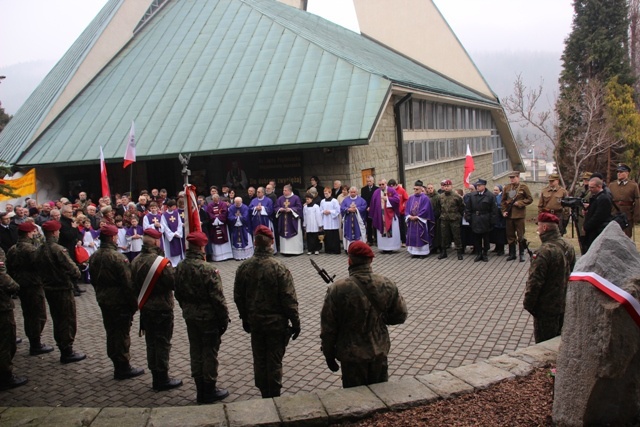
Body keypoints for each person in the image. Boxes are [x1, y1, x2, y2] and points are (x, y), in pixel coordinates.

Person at [320, 241, 408, 388]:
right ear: (371, 260)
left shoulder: (337, 289)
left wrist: (329, 355)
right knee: (381, 399)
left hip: (351, 356)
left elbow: (328, 327)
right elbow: (400, 315)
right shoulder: (387, 283)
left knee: (355, 400)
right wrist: (382, 319)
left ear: (350, 260)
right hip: (378, 350)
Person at [234, 225, 300, 398]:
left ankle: (264, 392)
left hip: (255, 322)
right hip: (276, 324)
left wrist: (244, 318)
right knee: (274, 360)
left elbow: (238, 296)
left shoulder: (244, 267)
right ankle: (274, 394)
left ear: (255, 243)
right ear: (271, 243)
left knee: (260, 359)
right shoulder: (279, 267)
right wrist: (296, 321)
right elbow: (288, 298)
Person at [175, 231, 230, 403]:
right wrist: (224, 318)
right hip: (208, 318)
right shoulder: (208, 269)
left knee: (196, 351)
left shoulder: (180, 266)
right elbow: (217, 298)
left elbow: (178, 293)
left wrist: (186, 308)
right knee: (209, 353)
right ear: (202, 247)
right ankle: (209, 389)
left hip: (190, 316)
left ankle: (200, 389)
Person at [89, 224, 144, 380]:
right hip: (119, 301)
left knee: (111, 331)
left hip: (103, 298)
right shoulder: (118, 258)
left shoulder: (94, 256)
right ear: (113, 238)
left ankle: (116, 362)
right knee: (121, 333)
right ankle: (122, 366)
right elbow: (128, 283)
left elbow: (93, 279)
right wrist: (134, 304)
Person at [130, 228, 182, 391]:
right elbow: (173, 283)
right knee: (162, 343)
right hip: (162, 308)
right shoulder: (160, 263)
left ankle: (155, 375)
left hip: (145, 307)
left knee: (151, 342)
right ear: (155, 242)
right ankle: (162, 378)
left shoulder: (136, 260)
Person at [35, 221, 86, 364]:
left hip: (49, 288)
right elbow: (73, 270)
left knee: (57, 319)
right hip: (62, 288)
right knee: (67, 320)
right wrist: (76, 274)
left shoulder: (40, 249)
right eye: (57, 231)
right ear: (54, 233)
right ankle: (67, 351)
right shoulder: (58, 249)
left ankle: (63, 347)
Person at [523, 213, 576, 343]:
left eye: (539, 226)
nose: (538, 229)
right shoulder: (568, 246)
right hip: (563, 303)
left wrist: (529, 304)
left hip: (546, 307)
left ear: (545, 228)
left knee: (544, 344)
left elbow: (535, 282)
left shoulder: (544, 251)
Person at [6, 222, 53, 355]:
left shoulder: (12, 249)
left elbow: (9, 267)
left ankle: (34, 341)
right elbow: (40, 265)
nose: (35, 234)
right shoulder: (31, 250)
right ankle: (35, 343)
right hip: (33, 285)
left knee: (28, 313)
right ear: (28, 233)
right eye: (33, 232)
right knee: (37, 314)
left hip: (20, 284)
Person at [0, 247, 27, 390]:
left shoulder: (11, 249)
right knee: (5, 340)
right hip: (2, 306)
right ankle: (5, 376)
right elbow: (3, 278)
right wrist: (15, 286)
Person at [501, 171, 533, 262]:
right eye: (510, 178)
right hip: (509, 215)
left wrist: (520, 203)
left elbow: (530, 199)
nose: (512, 179)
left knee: (521, 236)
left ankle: (522, 254)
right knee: (510, 235)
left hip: (519, 215)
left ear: (518, 177)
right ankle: (512, 254)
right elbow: (503, 201)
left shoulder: (523, 187)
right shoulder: (507, 187)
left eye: (513, 177)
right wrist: (504, 211)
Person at [465, 179, 497, 262]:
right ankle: (479, 253)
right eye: (477, 186)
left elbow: (494, 210)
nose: (477, 187)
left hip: (485, 219)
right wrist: (468, 218)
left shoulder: (490, 196)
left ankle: (485, 253)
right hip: (475, 218)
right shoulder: (472, 195)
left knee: (485, 238)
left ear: (484, 186)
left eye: (479, 186)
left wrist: (492, 221)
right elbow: (468, 208)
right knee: (477, 237)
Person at [608, 163, 640, 238]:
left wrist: (636, 217)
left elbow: (637, 201)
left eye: (621, 172)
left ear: (627, 173)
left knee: (626, 236)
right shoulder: (612, 185)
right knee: (613, 236)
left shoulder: (633, 185)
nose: (619, 174)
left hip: (627, 214)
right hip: (614, 214)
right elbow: (608, 200)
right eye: (618, 172)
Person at [369, 179, 401, 253]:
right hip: (380, 215)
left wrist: (388, 199)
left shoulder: (391, 190)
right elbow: (373, 202)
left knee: (390, 230)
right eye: (379, 185)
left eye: (383, 184)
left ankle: (391, 247)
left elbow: (397, 199)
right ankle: (384, 247)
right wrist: (373, 213)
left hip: (390, 214)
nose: (381, 186)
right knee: (382, 231)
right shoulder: (376, 192)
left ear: (386, 184)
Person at [405, 180, 435, 258]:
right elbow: (407, 208)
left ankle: (423, 253)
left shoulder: (425, 198)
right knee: (413, 236)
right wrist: (409, 216)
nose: (415, 191)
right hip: (412, 221)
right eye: (414, 189)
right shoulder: (411, 197)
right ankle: (414, 252)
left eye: (417, 189)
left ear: (421, 189)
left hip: (421, 221)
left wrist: (417, 216)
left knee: (421, 236)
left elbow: (426, 209)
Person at [583, 177, 613, 252]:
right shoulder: (596, 197)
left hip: (598, 230)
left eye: (592, 187)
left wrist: (586, 226)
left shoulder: (603, 198)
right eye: (589, 187)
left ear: (599, 186)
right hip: (593, 230)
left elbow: (598, 216)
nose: (590, 189)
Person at [437, 180, 465, 260]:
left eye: (448, 186)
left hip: (454, 218)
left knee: (457, 236)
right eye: (445, 186)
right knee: (444, 236)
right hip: (444, 219)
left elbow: (461, 207)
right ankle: (444, 252)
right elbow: (439, 207)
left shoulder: (456, 196)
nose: (446, 188)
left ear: (451, 186)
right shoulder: (441, 196)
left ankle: (459, 252)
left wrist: (457, 214)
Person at [275, 184, 304, 255]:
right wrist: (280, 209)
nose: (284, 192)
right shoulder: (280, 198)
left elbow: (299, 208)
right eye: (283, 190)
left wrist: (291, 210)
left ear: (290, 191)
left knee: (294, 235)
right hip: (283, 219)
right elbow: (276, 207)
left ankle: (295, 251)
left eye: (285, 190)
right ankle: (285, 250)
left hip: (293, 219)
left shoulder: (296, 198)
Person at [205, 194, 233, 262]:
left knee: (224, 237)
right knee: (215, 239)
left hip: (222, 224)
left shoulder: (223, 204)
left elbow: (225, 212)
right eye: (214, 200)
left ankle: (227, 255)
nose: (215, 201)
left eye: (216, 199)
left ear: (218, 198)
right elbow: (209, 213)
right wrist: (215, 219)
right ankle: (217, 257)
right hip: (214, 225)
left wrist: (219, 219)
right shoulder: (210, 205)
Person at [340, 187, 368, 252]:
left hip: (358, 221)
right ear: (349, 192)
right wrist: (348, 209)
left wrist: (356, 209)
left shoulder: (361, 200)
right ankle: (348, 248)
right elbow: (342, 208)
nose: (352, 193)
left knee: (359, 233)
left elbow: (364, 207)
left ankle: (360, 248)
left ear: (357, 192)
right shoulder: (345, 200)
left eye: (354, 192)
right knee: (348, 233)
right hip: (348, 221)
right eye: (351, 192)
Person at [572, 172, 592, 254]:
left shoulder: (593, 190)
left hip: (589, 216)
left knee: (589, 238)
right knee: (581, 238)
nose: (585, 181)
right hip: (580, 216)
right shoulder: (580, 189)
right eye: (584, 179)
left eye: (587, 179)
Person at [161, 199, 184, 267]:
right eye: (173, 206)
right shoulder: (164, 215)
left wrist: (178, 232)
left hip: (177, 235)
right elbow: (164, 226)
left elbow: (180, 224)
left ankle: (178, 262)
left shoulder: (176, 213)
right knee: (169, 249)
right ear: (168, 207)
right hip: (169, 237)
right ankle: (171, 262)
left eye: (175, 206)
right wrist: (171, 234)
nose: (174, 208)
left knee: (178, 248)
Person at [320, 187, 341, 254]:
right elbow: (320, 210)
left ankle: (335, 250)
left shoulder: (334, 201)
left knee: (334, 236)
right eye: (324, 193)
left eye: (327, 193)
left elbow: (338, 210)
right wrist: (323, 212)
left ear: (330, 193)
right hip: (326, 220)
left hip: (333, 220)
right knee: (327, 236)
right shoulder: (322, 201)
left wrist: (330, 211)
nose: (325, 195)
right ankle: (328, 250)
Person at [388, 179, 409, 246]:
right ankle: (395, 241)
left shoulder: (402, 190)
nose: (391, 188)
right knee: (394, 227)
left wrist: (403, 207)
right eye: (390, 187)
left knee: (402, 227)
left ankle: (404, 241)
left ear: (395, 185)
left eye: (392, 186)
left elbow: (406, 199)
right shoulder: (389, 191)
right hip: (392, 212)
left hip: (401, 212)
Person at [361, 176, 378, 246]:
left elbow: (377, 200)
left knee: (375, 225)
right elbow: (363, 199)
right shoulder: (363, 189)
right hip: (367, 209)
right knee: (368, 225)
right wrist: (366, 207)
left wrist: (372, 207)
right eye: (367, 181)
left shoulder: (377, 189)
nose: (368, 183)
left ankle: (377, 239)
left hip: (374, 209)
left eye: (370, 181)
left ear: (373, 181)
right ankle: (370, 240)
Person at [490, 185, 507, 255]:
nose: (495, 191)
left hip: (501, 219)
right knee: (496, 234)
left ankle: (501, 249)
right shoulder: (493, 197)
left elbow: (501, 206)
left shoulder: (502, 197)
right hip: (495, 218)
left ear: (500, 190)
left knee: (501, 235)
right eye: (494, 190)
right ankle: (496, 247)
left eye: (496, 190)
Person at [425, 183, 442, 254]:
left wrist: (437, 214)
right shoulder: (426, 197)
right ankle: (433, 247)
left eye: (431, 188)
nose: (430, 189)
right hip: (428, 218)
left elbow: (440, 207)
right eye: (428, 188)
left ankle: (439, 247)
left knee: (437, 233)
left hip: (436, 217)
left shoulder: (438, 196)